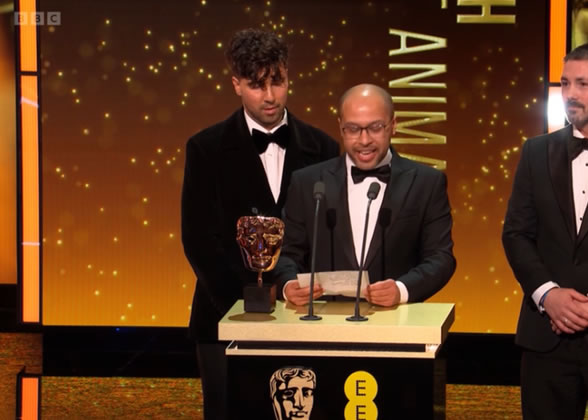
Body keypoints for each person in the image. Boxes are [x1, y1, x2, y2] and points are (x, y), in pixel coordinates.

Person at [181, 28, 338, 420]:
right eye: (256, 85)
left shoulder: (323, 148)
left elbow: (328, 236)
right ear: (236, 84)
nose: (270, 96)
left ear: (288, 77)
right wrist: (244, 308)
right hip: (224, 316)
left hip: (304, 316)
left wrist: (297, 296)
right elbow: (199, 240)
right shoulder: (205, 148)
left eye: (277, 82)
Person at [502, 41, 588, 419]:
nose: (570, 93)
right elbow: (516, 234)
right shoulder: (535, 152)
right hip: (546, 337)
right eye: (565, 83)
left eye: (582, 84)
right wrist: (548, 295)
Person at [272, 84, 455, 307]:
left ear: (393, 125)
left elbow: (440, 258)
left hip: (396, 320)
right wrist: (288, 285)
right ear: (341, 128)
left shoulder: (426, 183)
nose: (364, 140)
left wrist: (401, 290)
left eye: (375, 128)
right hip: (321, 320)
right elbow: (287, 253)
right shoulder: (307, 183)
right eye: (353, 129)